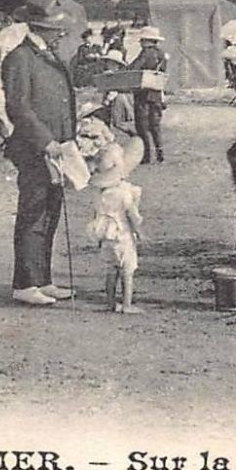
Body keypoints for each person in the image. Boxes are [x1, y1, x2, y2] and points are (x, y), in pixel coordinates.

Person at [2, 0, 81, 306]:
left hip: (57, 148)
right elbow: (18, 107)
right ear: (41, 28)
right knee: (33, 214)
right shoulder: (20, 58)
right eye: (57, 29)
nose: (61, 34)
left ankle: (42, 279)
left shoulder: (48, 54)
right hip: (36, 149)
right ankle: (24, 283)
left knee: (50, 213)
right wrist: (45, 139)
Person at [88, 136, 146, 313]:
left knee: (111, 270)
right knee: (127, 270)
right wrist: (139, 231)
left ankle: (111, 303)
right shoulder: (124, 192)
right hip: (122, 235)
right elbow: (130, 214)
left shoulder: (100, 193)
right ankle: (127, 304)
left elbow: (96, 213)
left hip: (106, 235)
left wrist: (97, 235)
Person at [128, 26, 168, 163]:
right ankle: (160, 151)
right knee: (155, 125)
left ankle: (147, 155)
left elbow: (134, 68)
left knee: (142, 125)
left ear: (146, 40)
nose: (140, 42)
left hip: (143, 92)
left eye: (142, 40)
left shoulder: (145, 53)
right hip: (156, 92)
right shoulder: (161, 54)